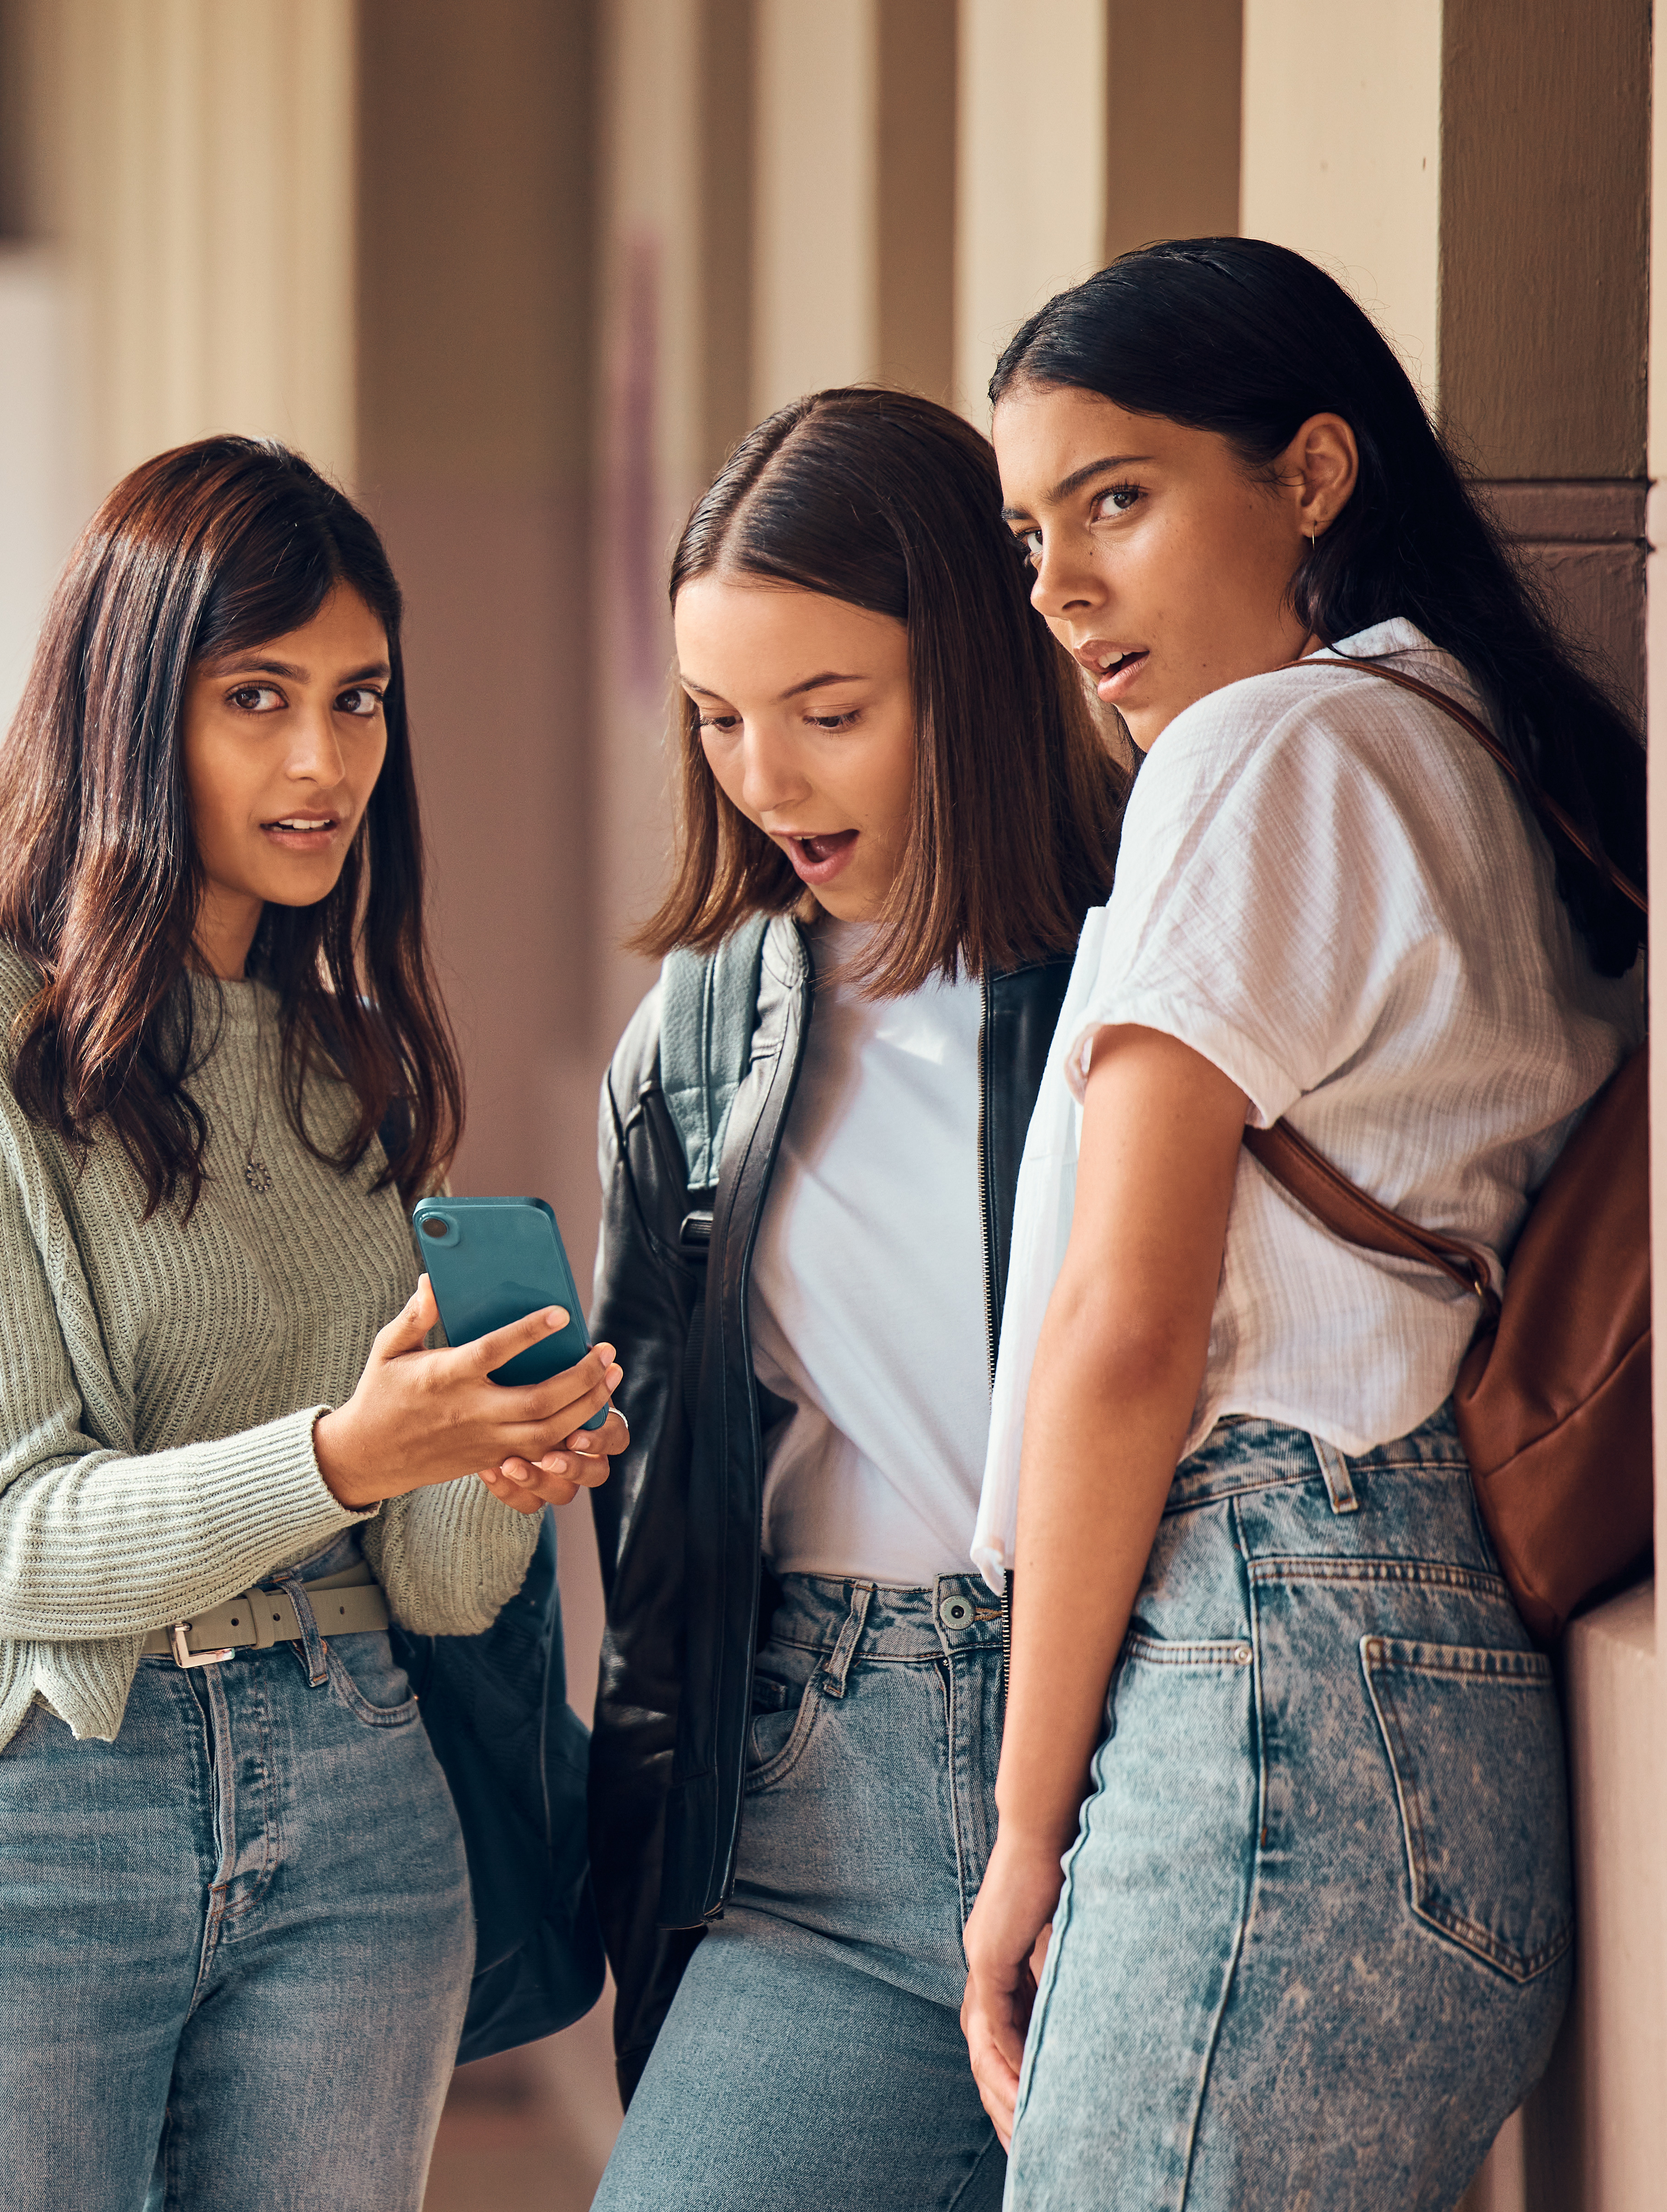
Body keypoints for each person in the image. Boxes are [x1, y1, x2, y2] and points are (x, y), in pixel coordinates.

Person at [0, 436, 628, 2211]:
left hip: (359, 1809)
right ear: (132, 709)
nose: (322, 761)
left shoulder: (342, 1051)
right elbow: (17, 1544)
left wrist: (483, 1465)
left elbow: (435, 1588)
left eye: (359, 699)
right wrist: (353, 1451)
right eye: (256, 698)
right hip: (20, 1819)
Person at [965, 236, 1644, 2207]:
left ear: (1314, 474)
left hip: (1266, 1666)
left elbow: (1123, 1327)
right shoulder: (1496, 761)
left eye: (1116, 499)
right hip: (1429, 1711)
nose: (1060, 586)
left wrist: (1021, 1840)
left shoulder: (1255, 756)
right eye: (1029, 533)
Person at [578, 390, 1124, 2211]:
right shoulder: (703, 1032)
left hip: (1154, 1748)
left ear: (968, 672)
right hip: (829, 1776)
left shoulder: (1150, 951)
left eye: (829, 712)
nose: (766, 777)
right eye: (718, 716)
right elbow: (659, 1511)